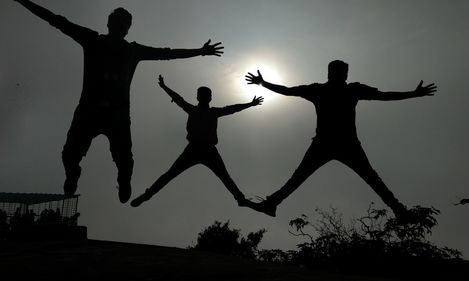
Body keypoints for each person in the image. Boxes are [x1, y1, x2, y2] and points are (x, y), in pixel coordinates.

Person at [13, 0, 224, 203]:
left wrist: (200, 51)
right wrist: (23, 1)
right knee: (69, 155)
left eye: (125, 24)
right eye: (117, 22)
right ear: (109, 24)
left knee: (125, 161)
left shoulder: (132, 50)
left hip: (117, 115)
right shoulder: (93, 40)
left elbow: (167, 54)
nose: (120, 27)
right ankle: (73, 172)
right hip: (89, 111)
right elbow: (56, 20)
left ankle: (123, 180)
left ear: (128, 29)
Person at [245, 60, 436, 222]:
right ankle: (270, 204)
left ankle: (400, 211)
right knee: (302, 177)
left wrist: (413, 93)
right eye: (339, 72)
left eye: (343, 72)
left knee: (371, 178)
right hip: (330, 143)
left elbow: (384, 96)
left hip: (341, 144)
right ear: (331, 73)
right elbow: (287, 91)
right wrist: (263, 83)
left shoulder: (344, 90)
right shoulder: (326, 90)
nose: (341, 75)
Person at [130, 75, 263, 208]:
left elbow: (232, 109)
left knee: (225, 177)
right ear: (198, 97)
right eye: (202, 95)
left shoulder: (213, 112)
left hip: (209, 151)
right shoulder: (193, 110)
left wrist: (250, 104)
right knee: (170, 174)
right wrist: (164, 87)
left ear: (210, 98)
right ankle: (147, 195)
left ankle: (241, 199)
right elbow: (178, 99)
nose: (204, 97)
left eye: (206, 95)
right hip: (193, 150)